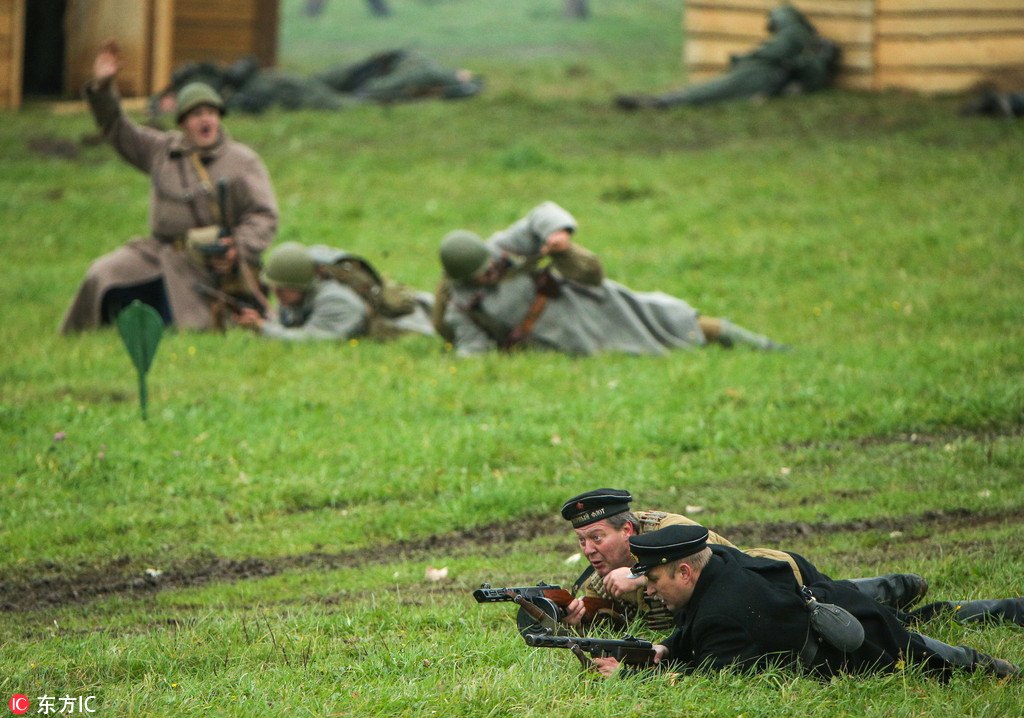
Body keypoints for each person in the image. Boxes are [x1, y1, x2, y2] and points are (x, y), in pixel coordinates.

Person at [590, 524, 1020, 679]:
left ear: (685, 571)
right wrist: (664, 648)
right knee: (923, 630)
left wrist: (629, 677)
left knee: (942, 664)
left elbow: (714, 677)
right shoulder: (717, 560)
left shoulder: (724, 616)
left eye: (655, 579)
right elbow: (692, 634)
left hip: (859, 647)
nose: (648, 589)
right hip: (847, 607)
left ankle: (1000, 667)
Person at [61, 41, 278, 334]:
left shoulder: (242, 162)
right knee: (102, 274)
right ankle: (88, 330)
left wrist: (237, 246)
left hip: (208, 261)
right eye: (196, 114)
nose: (205, 119)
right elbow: (116, 128)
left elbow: (264, 216)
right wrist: (103, 88)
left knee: (192, 323)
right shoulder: (161, 150)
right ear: (183, 122)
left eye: (211, 112)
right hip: (156, 251)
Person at [436, 202, 785, 357]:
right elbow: (474, 350)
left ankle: (769, 349)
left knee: (674, 317)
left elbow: (542, 213)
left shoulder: (502, 245)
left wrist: (558, 233)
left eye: (490, 263)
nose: (492, 271)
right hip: (568, 340)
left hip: (592, 303)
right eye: (482, 273)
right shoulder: (462, 307)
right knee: (631, 354)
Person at [559, 489, 929, 631]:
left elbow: (718, 562)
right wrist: (581, 616)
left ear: (627, 532)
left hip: (777, 579)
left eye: (597, 537)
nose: (589, 549)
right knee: (891, 622)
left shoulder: (670, 529)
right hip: (755, 609)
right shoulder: (600, 578)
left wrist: (640, 577)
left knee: (859, 604)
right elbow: (616, 624)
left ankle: (896, 587)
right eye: (582, 540)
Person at [615, 5, 839, 110]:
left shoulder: (794, 35)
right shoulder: (805, 46)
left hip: (758, 75)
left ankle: (660, 103)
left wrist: (745, 59)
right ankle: (662, 101)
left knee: (709, 91)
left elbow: (773, 56)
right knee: (711, 90)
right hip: (760, 76)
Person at [148, 50, 483, 119]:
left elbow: (241, 65)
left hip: (285, 85)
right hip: (287, 91)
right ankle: (452, 84)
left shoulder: (194, 81)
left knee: (358, 74)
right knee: (362, 101)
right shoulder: (207, 101)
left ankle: (447, 78)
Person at [234, 242, 435, 341]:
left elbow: (314, 339)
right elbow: (288, 325)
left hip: (418, 320)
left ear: (301, 285)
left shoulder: (335, 300)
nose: (276, 293)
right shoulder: (294, 297)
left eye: (283, 288)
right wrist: (263, 323)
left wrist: (264, 329)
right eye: (274, 287)